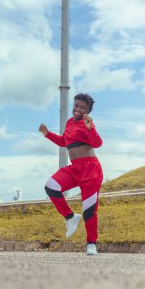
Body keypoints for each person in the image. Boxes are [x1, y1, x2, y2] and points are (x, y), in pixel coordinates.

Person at [39, 93, 103, 255]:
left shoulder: (87, 123)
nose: (78, 109)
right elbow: (64, 142)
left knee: (89, 209)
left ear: (87, 111)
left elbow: (97, 143)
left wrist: (90, 128)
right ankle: (70, 216)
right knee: (51, 186)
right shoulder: (69, 123)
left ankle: (91, 244)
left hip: (90, 170)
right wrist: (48, 134)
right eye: (76, 105)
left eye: (82, 107)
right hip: (74, 168)